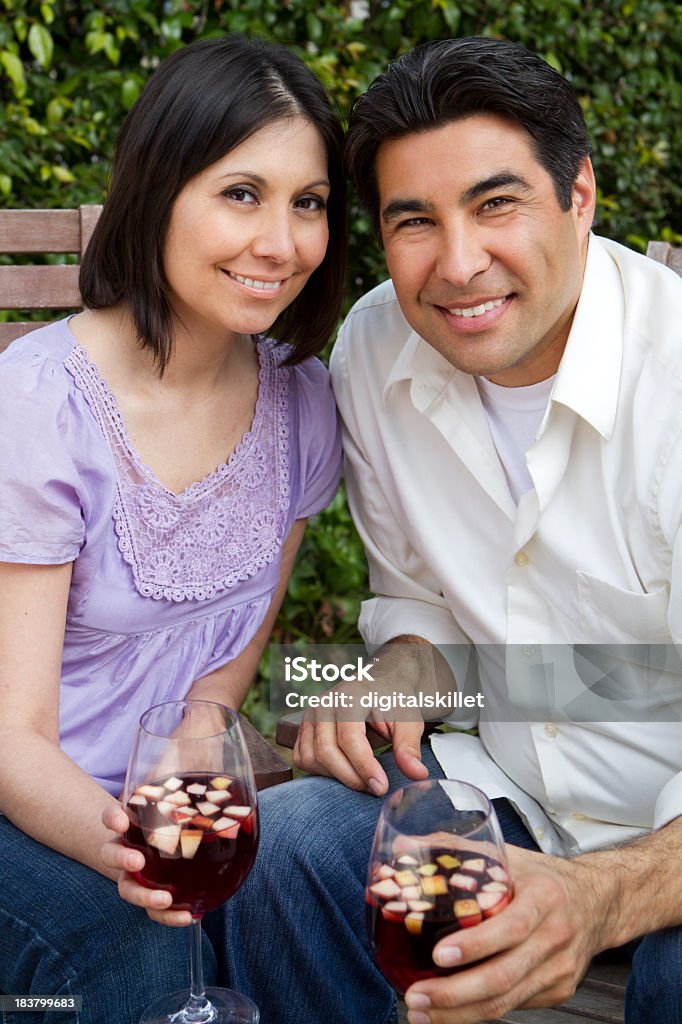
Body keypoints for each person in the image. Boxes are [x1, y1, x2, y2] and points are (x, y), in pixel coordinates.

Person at [219, 36, 682, 1024]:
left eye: (495, 203)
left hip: (668, 836)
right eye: (415, 221)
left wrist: (602, 895)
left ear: (582, 195)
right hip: (506, 797)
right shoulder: (375, 348)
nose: (458, 262)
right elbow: (432, 618)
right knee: (291, 849)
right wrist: (399, 672)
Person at [0, 34, 346, 1024]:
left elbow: (233, 650)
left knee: (318, 868)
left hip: (171, 808)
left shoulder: (299, 401)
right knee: (139, 941)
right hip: (30, 802)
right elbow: (12, 735)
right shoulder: (40, 405)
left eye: (308, 202)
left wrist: (202, 723)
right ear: (157, 190)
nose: (280, 241)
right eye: (241, 193)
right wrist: (132, 848)